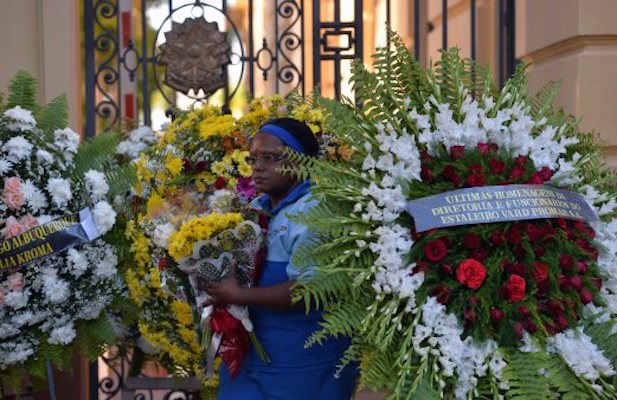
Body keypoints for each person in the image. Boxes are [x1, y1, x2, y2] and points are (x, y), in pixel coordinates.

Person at [206, 117, 357, 400]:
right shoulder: (256, 208)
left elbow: (305, 292)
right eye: (254, 158)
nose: (258, 166)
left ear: (302, 163)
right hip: (252, 363)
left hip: (301, 369)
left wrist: (237, 294)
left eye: (271, 158)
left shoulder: (315, 211)